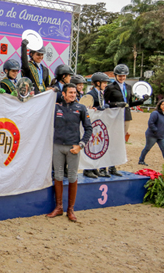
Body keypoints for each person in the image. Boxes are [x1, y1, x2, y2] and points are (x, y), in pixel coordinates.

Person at [47, 83, 92, 222]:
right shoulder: (55, 108)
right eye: (70, 92)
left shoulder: (81, 108)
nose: (73, 95)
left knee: (72, 177)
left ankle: (70, 210)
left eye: (74, 92)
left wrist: (81, 145)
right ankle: (59, 207)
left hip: (73, 148)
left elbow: (88, 129)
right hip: (58, 147)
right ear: (64, 94)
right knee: (58, 176)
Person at [104, 64, 149, 176]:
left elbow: (129, 103)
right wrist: (116, 104)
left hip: (126, 116)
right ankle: (104, 166)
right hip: (114, 116)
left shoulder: (128, 87)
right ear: (115, 75)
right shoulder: (110, 87)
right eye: (120, 76)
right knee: (111, 141)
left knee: (119, 143)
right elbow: (105, 103)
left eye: (124, 76)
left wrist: (141, 101)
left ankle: (113, 166)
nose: (122, 78)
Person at [83, 72, 111, 178]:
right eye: (104, 83)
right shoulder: (90, 95)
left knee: (96, 147)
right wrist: (99, 108)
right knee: (90, 147)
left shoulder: (101, 94)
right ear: (98, 83)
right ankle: (88, 169)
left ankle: (94, 168)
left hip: (98, 125)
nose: (105, 85)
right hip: (91, 124)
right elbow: (87, 109)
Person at [138, 99, 164, 168]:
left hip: (161, 136)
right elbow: (150, 123)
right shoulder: (155, 113)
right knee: (147, 148)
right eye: (162, 104)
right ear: (159, 105)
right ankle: (141, 160)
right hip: (152, 135)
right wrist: (155, 130)